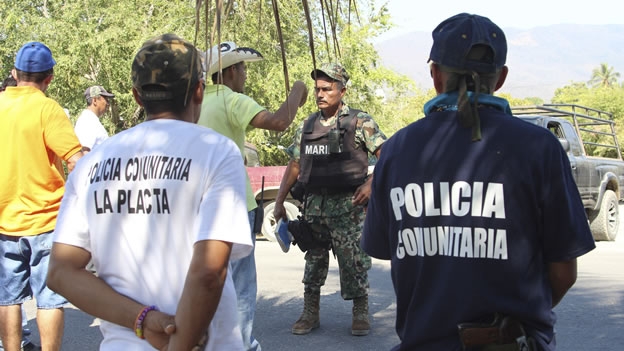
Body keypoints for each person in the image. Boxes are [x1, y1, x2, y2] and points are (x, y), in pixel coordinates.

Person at [361, 13, 596, 351]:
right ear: (500, 78)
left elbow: (384, 249)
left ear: (435, 76)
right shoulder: (539, 147)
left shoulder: (396, 150)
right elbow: (564, 273)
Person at [46, 33, 254, 350]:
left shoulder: (91, 165)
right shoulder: (216, 152)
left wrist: (143, 319)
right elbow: (209, 272)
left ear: (137, 97)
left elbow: (61, 272)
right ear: (199, 90)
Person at [197, 41, 308, 351]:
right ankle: (242, 344)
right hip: (233, 205)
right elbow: (278, 122)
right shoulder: (231, 99)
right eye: (243, 69)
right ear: (231, 71)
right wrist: (298, 90)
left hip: (200, 205)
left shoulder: (195, 102)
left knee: (208, 280)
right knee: (241, 285)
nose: (245, 74)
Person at [273, 62, 386, 336]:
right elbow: (295, 165)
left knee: (353, 263)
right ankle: (310, 313)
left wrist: (372, 183)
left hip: (349, 207)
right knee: (313, 262)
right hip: (314, 208)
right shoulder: (308, 125)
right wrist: (278, 202)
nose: (320, 94)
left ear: (342, 90)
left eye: (327, 89)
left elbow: (388, 155)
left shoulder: (360, 122)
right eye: (317, 89)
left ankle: (360, 313)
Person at [0, 41, 84, 351]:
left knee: (8, 297)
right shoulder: (47, 108)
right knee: (49, 299)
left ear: (15, 73)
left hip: (4, 222)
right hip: (46, 221)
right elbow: (76, 160)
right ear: (48, 78)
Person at [74, 85, 115, 151]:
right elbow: (84, 152)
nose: (108, 103)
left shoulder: (91, 120)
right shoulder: (87, 121)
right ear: (95, 100)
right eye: (106, 99)